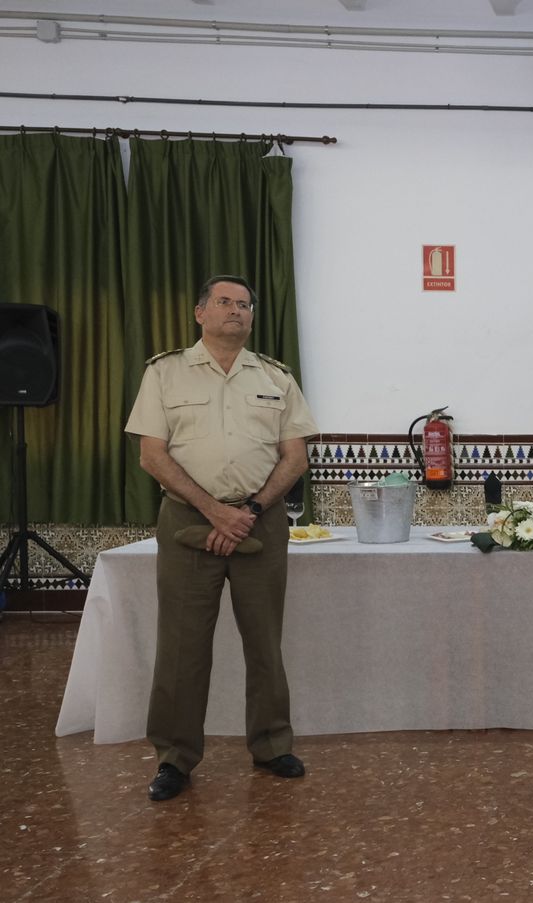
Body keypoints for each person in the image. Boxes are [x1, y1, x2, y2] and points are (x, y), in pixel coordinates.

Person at [125, 275, 318, 802]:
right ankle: (175, 757)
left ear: (252, 317)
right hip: (189, 522)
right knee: (183, 647)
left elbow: (295, 457)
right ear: (200, 313)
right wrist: (215, 511)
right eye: (224, 302)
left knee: (264, 640)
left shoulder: (276, 377)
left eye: (244, 304)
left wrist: (249, 511)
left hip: (262, 522)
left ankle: (272, 743)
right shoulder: (165, 373)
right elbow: (152, 455)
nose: (236, 310)